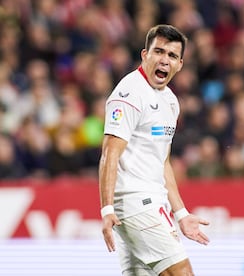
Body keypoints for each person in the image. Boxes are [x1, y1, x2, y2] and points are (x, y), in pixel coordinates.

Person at [98, 24, 210, 276]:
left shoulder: (170, 100)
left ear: (180, 64)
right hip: (136, 204)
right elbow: (109, 154)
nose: (164, 60)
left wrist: (180, 213)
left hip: (152, 202)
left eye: (171, 55)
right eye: (158, 52)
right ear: (144, 55)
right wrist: (107, 209)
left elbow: (163, 162)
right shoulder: (128, 94)